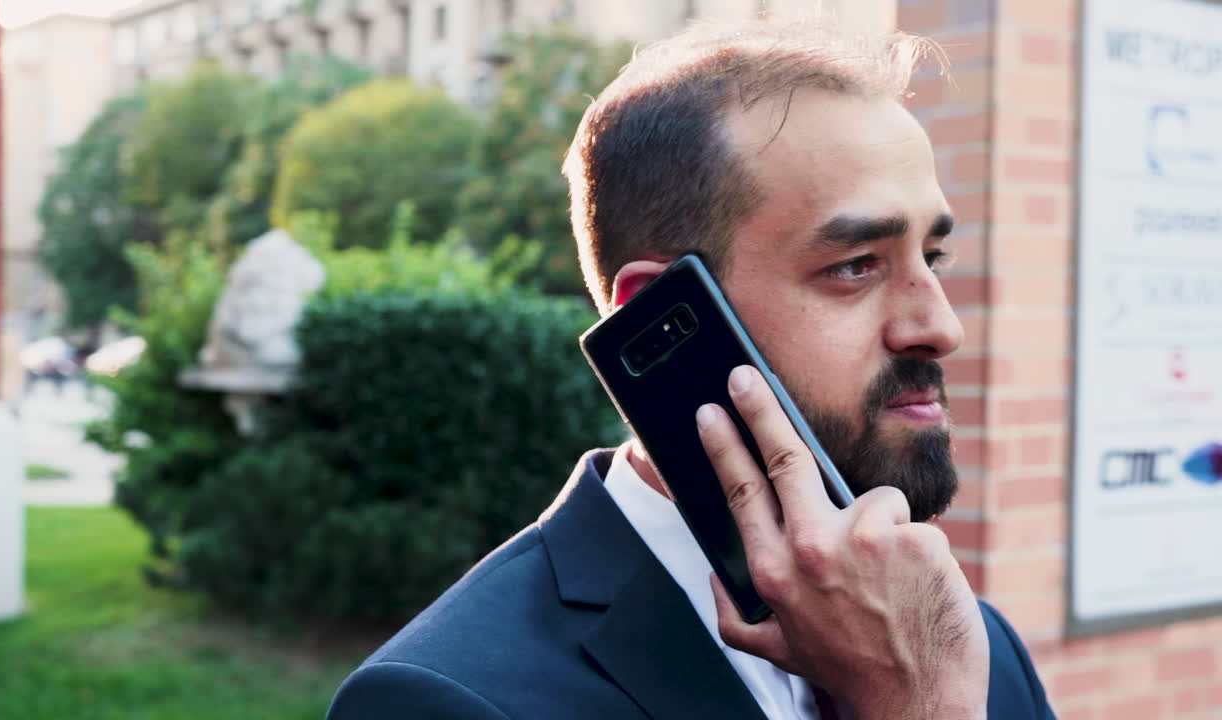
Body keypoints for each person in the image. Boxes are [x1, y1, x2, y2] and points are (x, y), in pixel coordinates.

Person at [328, 18, 1055, 720]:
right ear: (658, 315)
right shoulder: (448, 698)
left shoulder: (967, 643)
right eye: (855, 266)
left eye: (929, 260)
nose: (941, 328)